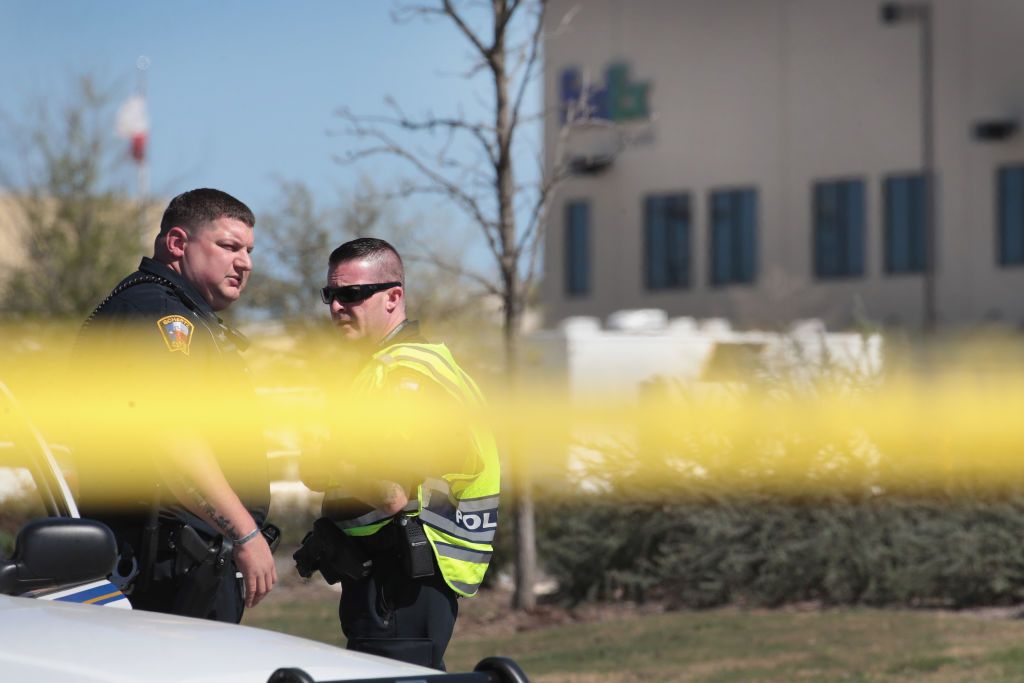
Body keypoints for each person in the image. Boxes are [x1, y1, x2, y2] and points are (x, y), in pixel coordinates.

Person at [296, 238, 500, 670]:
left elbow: (390, 493)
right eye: (330, 295)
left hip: (400, 578)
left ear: (394, 297)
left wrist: (321, 462)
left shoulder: (401, 376)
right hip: (403, 575)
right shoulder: (406, 366)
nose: (336, 307)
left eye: (352, 294)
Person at [76, 188, 276, 623]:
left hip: (179, 561)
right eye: (229, 246)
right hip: (167, 568)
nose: (245, 263)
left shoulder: (167, 310)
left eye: (249, 250)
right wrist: (245, 534)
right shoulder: (163, 316)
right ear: (178, 244)